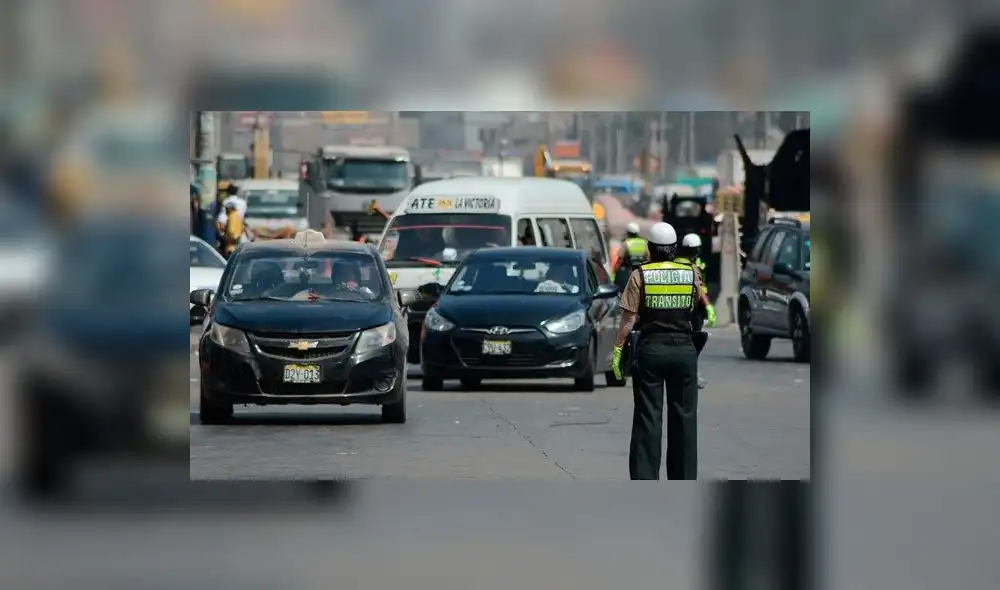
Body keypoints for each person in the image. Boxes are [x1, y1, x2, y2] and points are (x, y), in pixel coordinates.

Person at [610, 221, 711, 480]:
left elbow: (628, 321)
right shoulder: (691, 272)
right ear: (674, 248)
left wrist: (618, 351)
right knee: (684, 419)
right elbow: (696, 305)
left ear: (650, 248)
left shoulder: (639, 275)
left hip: (651, 351)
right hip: (684, 351)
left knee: (648, 417)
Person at [676, 233, 717, 389]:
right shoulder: (693, 267)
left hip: (676, 308)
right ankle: (690, 374)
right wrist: (708, 306)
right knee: (694, 342)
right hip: (692, 310)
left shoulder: (674, 263)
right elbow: (699, 289)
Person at [613, 222, 648, 291]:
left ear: (628, 233)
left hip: (628, 271)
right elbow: (648, 258)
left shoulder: (626, 243)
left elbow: (620, 259)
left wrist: (615, 270)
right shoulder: (644, 242)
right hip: (642, 271)